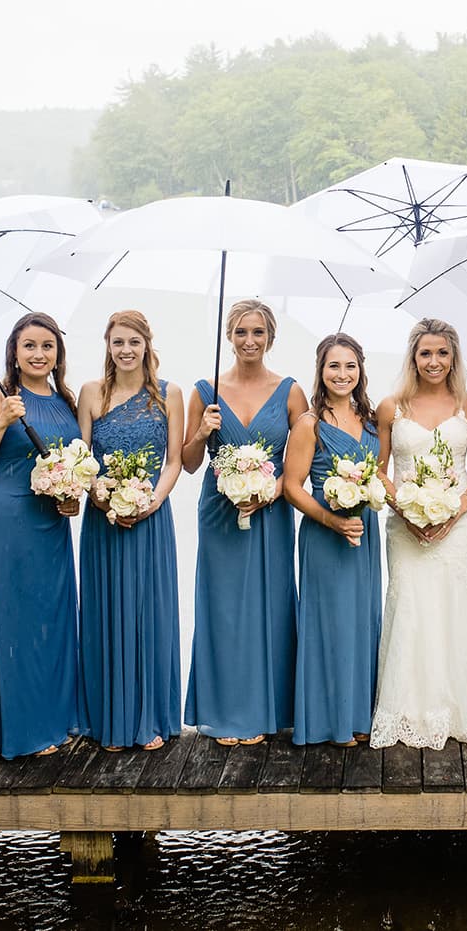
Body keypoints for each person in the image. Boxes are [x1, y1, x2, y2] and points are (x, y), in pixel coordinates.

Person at [182, 299, 306, 746]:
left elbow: (302, 459)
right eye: (240, 332)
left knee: (268, 605)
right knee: (224, 608)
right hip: (219, 511)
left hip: (270, 512)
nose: (249, 341)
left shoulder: (290, 391)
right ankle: (223, 711)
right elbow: (190, 463)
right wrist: (201, 432)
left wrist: (270, 492)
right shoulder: (204, 391)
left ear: (270, 337)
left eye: (257, 332)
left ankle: (264, 708)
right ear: (228, 337)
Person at [0, 311, 81, 759]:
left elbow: (70, 463)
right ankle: (21, 731)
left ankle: (54, 719)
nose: (38, 354)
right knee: (15, 624)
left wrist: (72, 497)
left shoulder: (64, 399)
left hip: (52, 524)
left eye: (47, 346)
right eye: (29, 345)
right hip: (10, 521)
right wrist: (1, 422)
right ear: (14, 351)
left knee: (53, 621)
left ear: (57, 354)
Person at [370, 319, 467, 750]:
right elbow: (378, 472)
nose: (434, 361)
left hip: (459, 526)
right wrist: (407, 508)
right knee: (411, 606)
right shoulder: (391, 407)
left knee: (455, 607)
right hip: (405, 526)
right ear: (413, 357)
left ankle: (460, 709)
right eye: (426, 353)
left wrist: (453, 511)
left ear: (454, 357)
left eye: (442, 353)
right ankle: (405, 709)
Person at [75, 310, 184, 752]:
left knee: (146, 614)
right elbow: (82, 459)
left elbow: (174, 460)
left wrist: (149, 502)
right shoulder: (90, 394)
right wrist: (101, 498)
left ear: (147, 345)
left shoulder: (168, 394)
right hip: (103, 521)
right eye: (118, 342)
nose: (125, 350)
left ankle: (148, 716)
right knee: (105, 612)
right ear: (107, 345)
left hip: (151, 519)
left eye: (133, 342)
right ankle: (108, 722)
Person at [285, 334, 383, 747]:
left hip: (364, 533)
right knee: (329, 624)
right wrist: (331, 520)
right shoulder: (310, 423)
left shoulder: (373, 421)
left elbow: (379, 476)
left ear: (360, 370)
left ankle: (358, 713)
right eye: (333, 366)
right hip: (326, 534)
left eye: (349, 366)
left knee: (362, 620)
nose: (342, 375)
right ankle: (328, 721)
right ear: (320, 371)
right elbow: (292, 487)